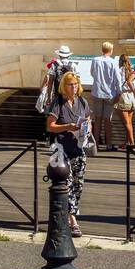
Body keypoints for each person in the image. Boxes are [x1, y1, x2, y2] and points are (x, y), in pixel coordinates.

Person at [45, 70, 91, 238]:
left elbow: (88, 120)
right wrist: (68, 126)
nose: (73, 87)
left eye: (75, 84)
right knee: (68, 183)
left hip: (78, 148)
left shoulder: (82, 102)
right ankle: (73, 221)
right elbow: (50, 126)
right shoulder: (58, 103)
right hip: (61, 149)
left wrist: (87, 128)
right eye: (70, 84)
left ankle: (68, 212)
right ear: (64, 87)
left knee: (79, 184)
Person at [88, 42, 123, 150]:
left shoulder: (95, 60)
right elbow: (117, 79)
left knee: (97, 119)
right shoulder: (113, 62)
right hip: (109, 93)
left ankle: (96, 144)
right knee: (108, 119)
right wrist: (119, 92)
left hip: (97, 92)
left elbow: (92, 73)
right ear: (111, 50)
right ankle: (108, 144)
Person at [37, 44, 76, 113]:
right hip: (70, 95)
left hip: (57, 95)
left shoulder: (54, 65)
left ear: (59, 55)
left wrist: (49, 97)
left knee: (57, 113)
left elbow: (50, 82)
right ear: (69, 55)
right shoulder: (73, 65)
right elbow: (77, 81)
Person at [113, 53, 135, 148]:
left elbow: (117, 85)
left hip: (123, 96)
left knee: (126, 123)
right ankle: (128, 142)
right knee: (129, 122)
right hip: (131, 97)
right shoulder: (132, 71)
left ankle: (132, 143)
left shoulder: (118, 71)